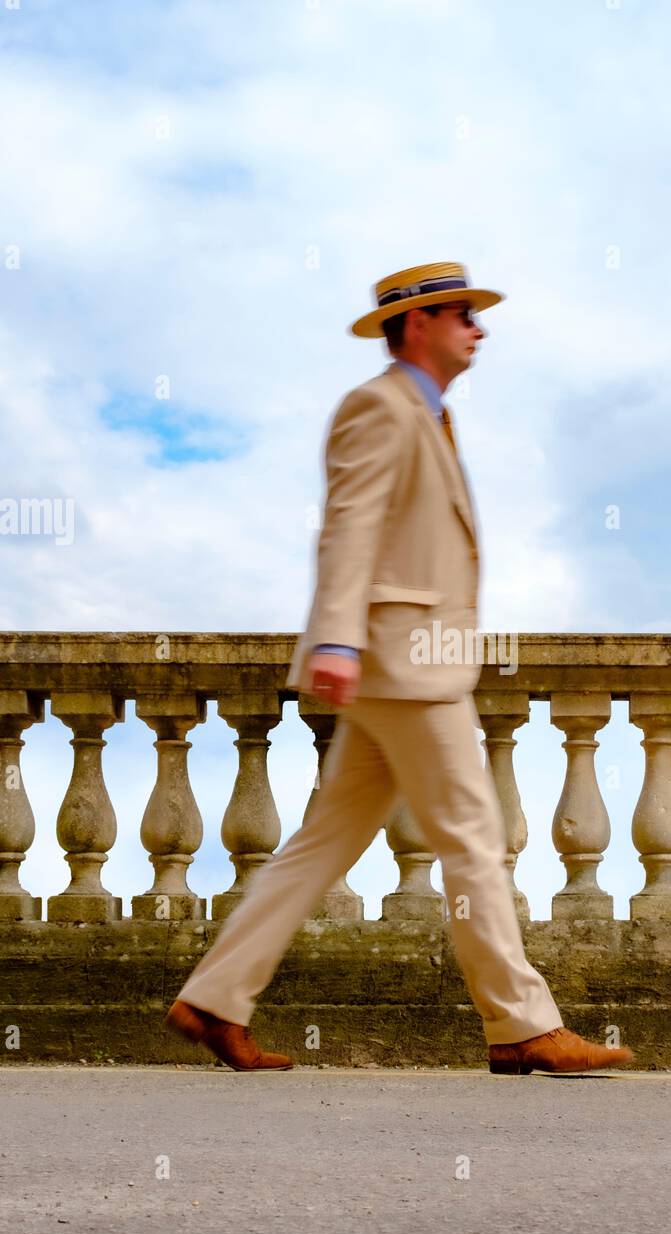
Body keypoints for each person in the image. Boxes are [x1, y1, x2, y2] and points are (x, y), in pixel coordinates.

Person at [166, 261, 635, 1076]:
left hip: (408, 660)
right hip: (404, 661)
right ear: (417, 323)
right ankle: (522, 1025)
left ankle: (212, 1000)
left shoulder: (428, 414)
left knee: (321, 844)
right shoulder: (378, 408)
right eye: (464, 315)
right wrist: (338, 641)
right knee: (473, 838)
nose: (479, 329)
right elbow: (348, 526)